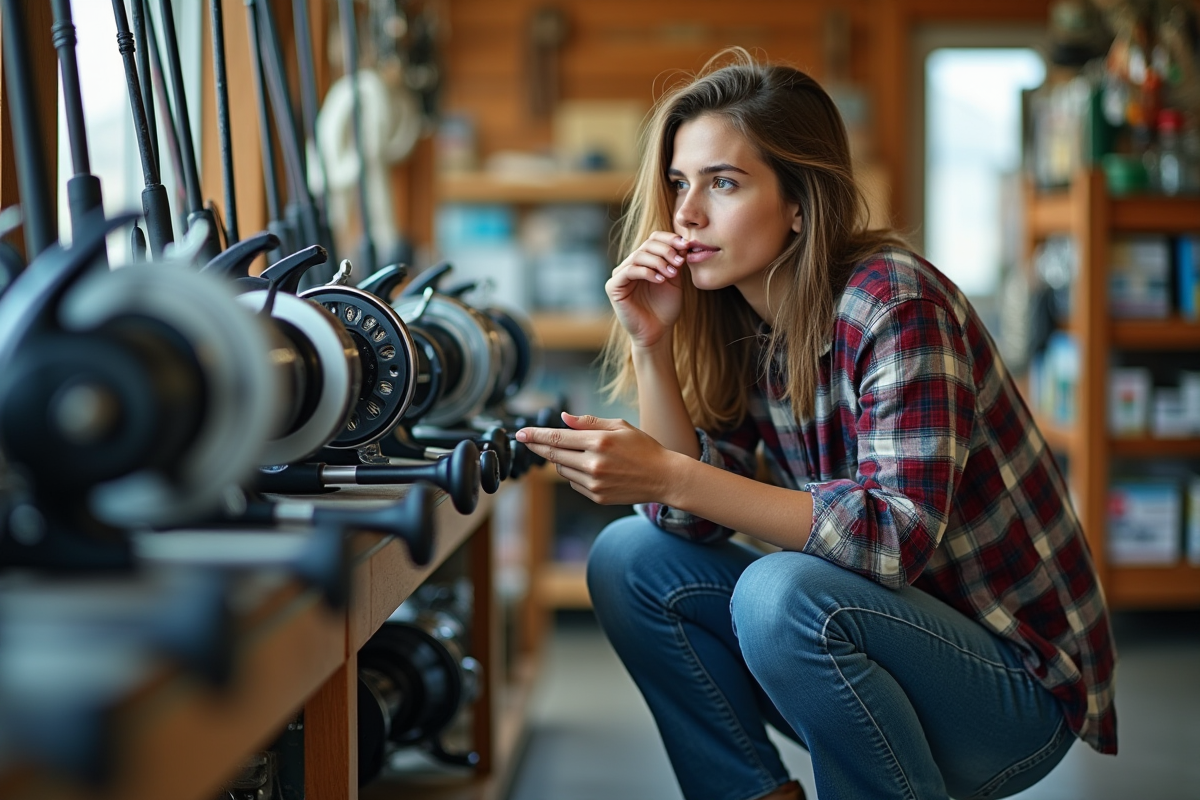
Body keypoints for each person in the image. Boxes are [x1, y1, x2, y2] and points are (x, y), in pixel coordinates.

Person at [514, 49, 1116, 800]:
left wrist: (670, 471)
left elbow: (891, 541)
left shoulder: (895, 302)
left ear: (799, 201)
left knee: (780, 593)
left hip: (1011, 695)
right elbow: (684, 522)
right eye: (678, 183)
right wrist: (652, 348)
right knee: (630, 557)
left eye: (724, 183)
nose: (687, 213)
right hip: (872, 650)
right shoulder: (742, 318)